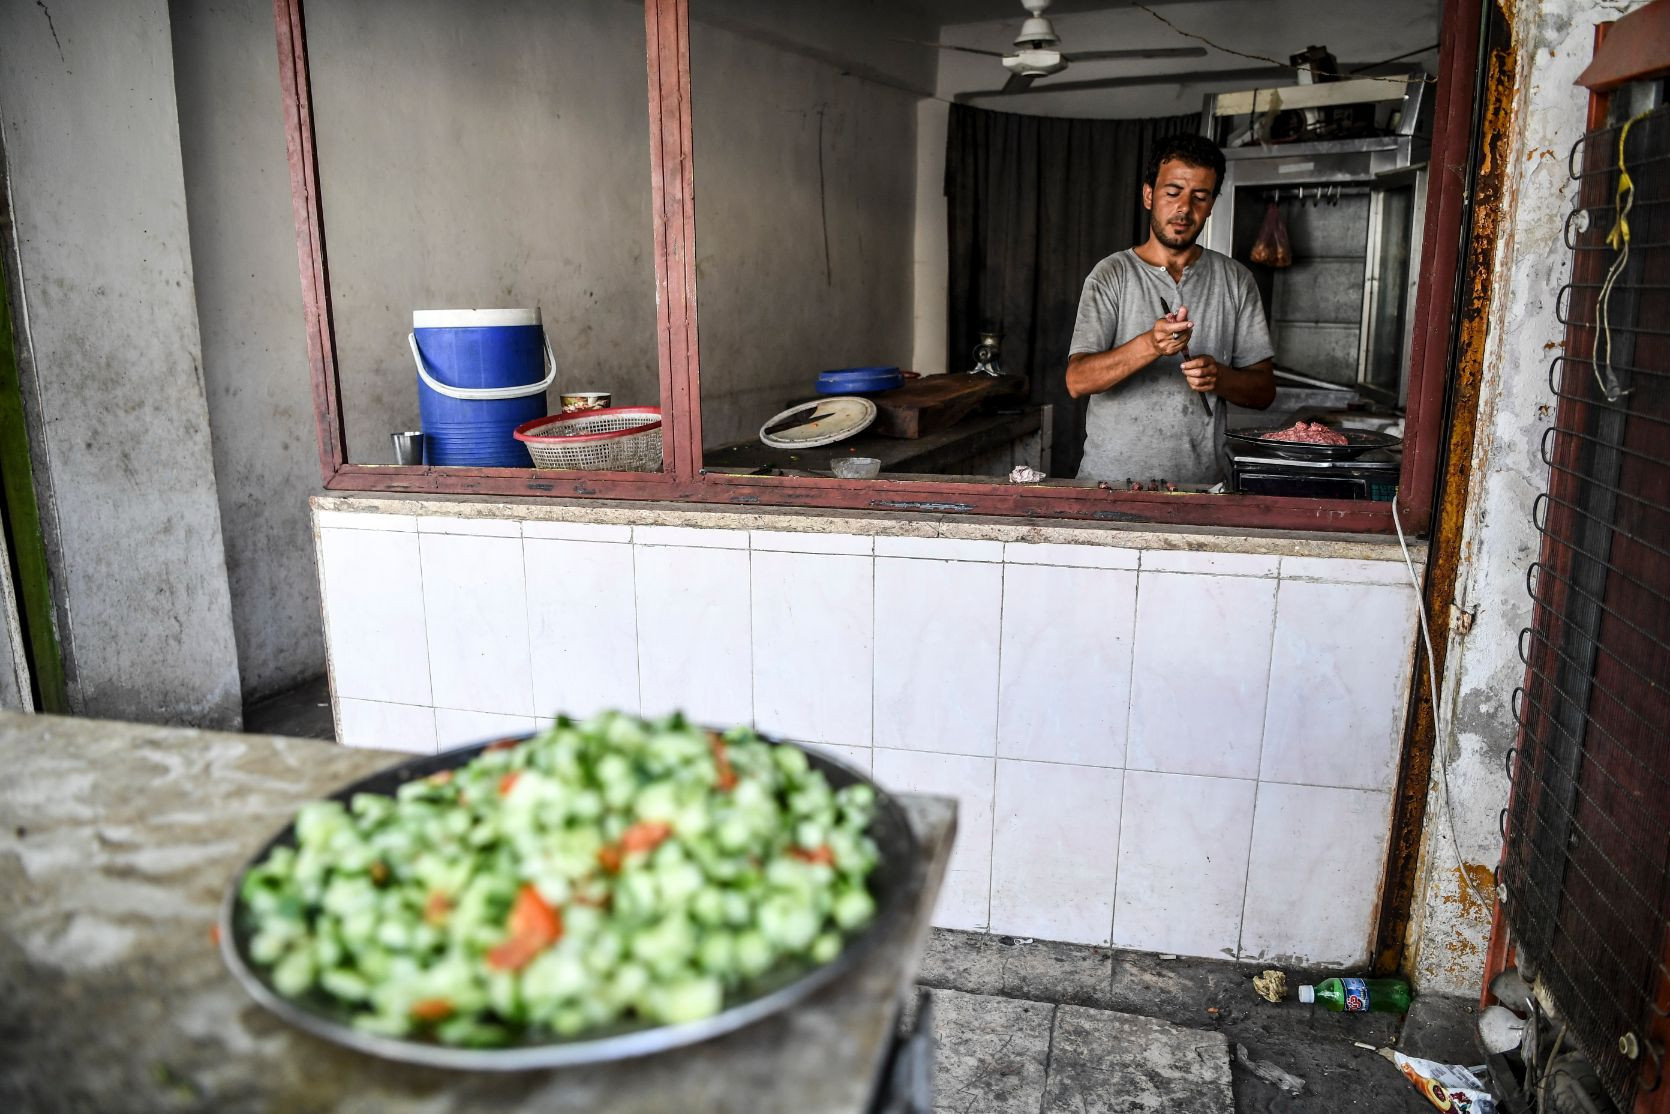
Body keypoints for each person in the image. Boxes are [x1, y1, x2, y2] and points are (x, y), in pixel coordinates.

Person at [1065, 133, 1276, 487]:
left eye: (1200, 197)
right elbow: (1077, 381)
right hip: (1110, 487)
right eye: (1172, 192)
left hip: (1203, 489)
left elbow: (1264, 392)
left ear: (1211, 205)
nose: (1184, 209)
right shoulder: (1111, 275)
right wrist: (1151, 344)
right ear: (1149, 195)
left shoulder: (1237, 280)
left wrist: (1220, 377)